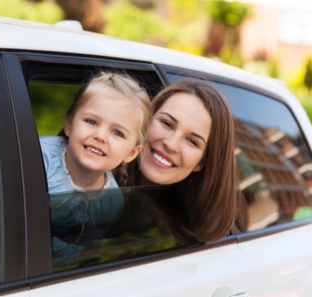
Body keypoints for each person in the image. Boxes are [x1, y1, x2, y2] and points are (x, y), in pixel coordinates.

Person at [39, 71, 151, 268]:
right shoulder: (39, 159)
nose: (100, 136)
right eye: (91, 122)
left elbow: (87, 248)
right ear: (69, 124)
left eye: (117, 132)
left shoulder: (111, 202)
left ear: (131, 153)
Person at [124, 79, 240, 242]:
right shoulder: (91, 170)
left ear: (201, 162)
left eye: (192, 141)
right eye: (166, 123)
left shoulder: (188, 235)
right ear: (146, 120)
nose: (171, 144)